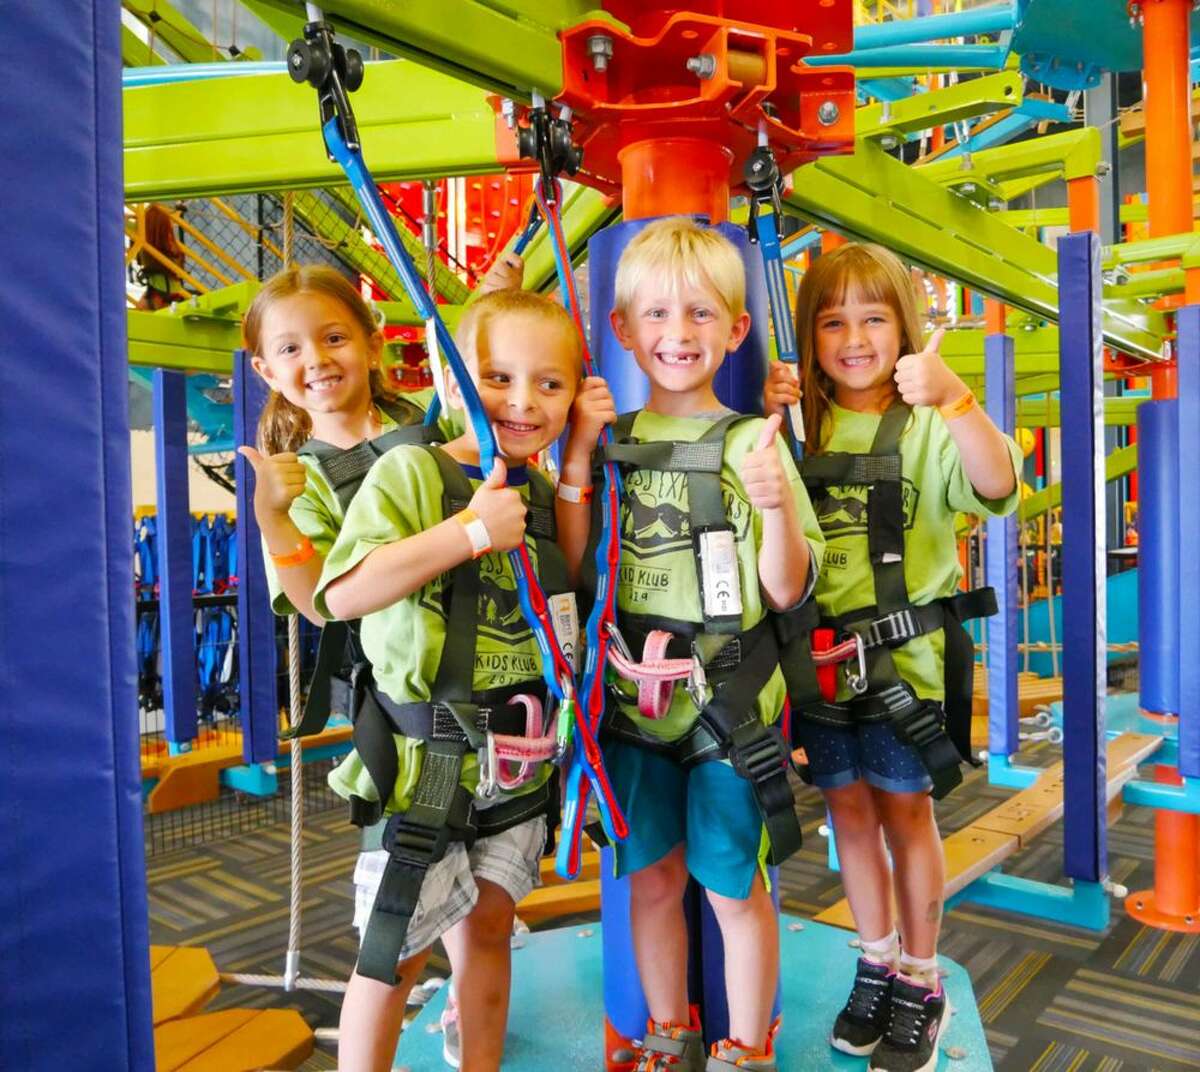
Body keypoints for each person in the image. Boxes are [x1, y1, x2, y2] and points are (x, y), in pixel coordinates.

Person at [315, 288, 613, 1072]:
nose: (521, 402)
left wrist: (575, 458)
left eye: (549, 384)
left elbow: (571, 578)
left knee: (489, 931)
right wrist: (468, 533)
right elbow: (343, 594)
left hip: (514, 765)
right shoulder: (411, 474)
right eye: (496, 379)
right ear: (453, 386)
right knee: (394, 954)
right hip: (426, 766)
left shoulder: (539, 494)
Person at [558, 217, 825, 1071]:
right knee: (654, 880)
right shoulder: (609, 445)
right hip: (632, 711)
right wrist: (575, 456)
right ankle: (669, 1030)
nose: (679, 335)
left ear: (737, 330)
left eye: (703, 316)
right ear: (625, 330)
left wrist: (776, 505)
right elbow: (574, 566)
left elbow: (787, 589)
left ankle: (746, 1046)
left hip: (724, 709)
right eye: (660, 317)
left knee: (732, 886)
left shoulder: (754, 444)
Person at [764, 242, 1021, 1072]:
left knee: (907, 816)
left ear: (904, 328)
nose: (853, 338)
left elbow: (996, 484)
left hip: (905, 668)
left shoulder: (930, 427)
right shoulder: (803, 422)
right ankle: (875, 957)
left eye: (873, 318)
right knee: (847, 814)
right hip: (820, 668)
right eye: (832, 321)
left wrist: (959, 402)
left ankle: (922, 974)